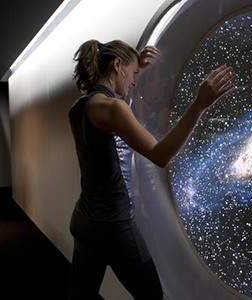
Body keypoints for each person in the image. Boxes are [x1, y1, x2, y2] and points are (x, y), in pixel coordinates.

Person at [68, 39, 235, 300]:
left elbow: (119, 106)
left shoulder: (79, 107)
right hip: (115, 226)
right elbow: (160, 155)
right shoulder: (113, 109)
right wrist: (198, 105)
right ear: (117, 65)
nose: (135, 82)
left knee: (81, 295)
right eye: (134, 74)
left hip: (84, 220)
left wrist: (136, 65)